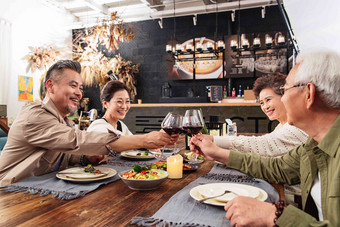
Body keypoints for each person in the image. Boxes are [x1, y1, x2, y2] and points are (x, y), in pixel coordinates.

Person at [191, 50, 340, 226]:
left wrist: (275, 216)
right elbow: (277, 168)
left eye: (284, 90)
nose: (283, 99)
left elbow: (266, 147)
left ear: (309, 93)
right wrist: (217, 153)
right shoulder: (314, 143)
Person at [0, 60, 178, 186]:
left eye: (80, 87)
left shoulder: (64, 121)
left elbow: (62, 155)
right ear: (50, 86)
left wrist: (85, 158)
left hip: (42, 188)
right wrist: (145, 140)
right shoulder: (34, 114)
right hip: (10, 192)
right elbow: (76, 140)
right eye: (73, 85)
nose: (79, 93)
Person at [200, 73, 308, 157]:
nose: (265, 107)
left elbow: (261, 144)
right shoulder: (281, 126)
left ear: (285, 96)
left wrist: (213, 141)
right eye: (262, 103)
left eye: (268, 100)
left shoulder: (297, 127)